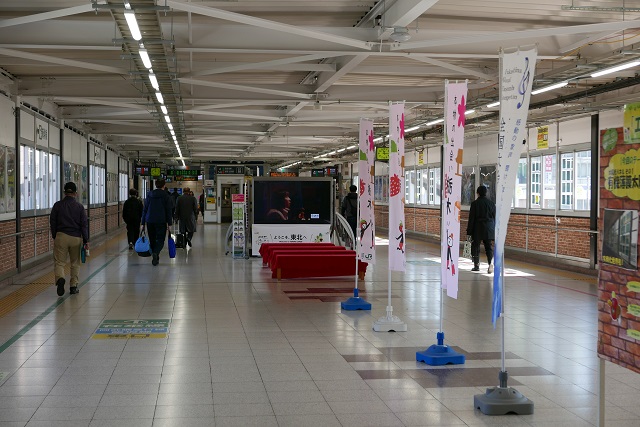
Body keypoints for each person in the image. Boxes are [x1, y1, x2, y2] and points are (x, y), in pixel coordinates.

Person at [50, 182, 89, 296]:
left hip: (61, 236)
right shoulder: (79, 207)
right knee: (75, 263)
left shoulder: (57, 205)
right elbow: (83, 225)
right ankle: (73, 286)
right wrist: (86, 240)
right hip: (75, 238)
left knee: (59, 262)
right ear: (75, 193)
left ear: (64, 192)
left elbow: (53, 222)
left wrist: (55, 235)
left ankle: (60, 278)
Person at [142, 179, 173, 266]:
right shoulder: (166, 195)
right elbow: (168, 210)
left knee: (152, 239)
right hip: (161, 220)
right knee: (160, 239)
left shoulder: (149, 194)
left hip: (150, 220)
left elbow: (145, 209)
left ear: (156, 185)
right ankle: (155, 253)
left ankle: (155, 256)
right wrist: (169, 223)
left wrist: (142, 223)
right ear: (164, 185)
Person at [466, 185, 496, 273]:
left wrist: (469, 231)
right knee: (488, 247)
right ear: (486, 193)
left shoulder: (475, 204)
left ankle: (476, 265)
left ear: (477, 193)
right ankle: (490, 264)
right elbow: (494, 217)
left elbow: (471, 219)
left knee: (475, 246)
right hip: (489, 228)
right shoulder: (491, 203)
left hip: (478, 228)